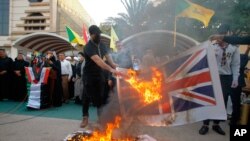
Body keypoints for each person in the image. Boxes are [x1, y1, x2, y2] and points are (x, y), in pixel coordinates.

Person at [199, 25, 240, 135]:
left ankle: (216, 124)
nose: (223, 37)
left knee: (222, 102)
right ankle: (205, 124)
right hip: (213, 76)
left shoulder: (234, 48)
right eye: (221, 34)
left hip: (226, 77)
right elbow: (203, 53)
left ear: (228, 34)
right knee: (209, 101)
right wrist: (210, 39)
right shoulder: (212, 46)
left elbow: (236, 64)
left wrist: (235, 78)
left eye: (225, 34)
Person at [81, 25, 121, 128]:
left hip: (100, 75)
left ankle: (101, 119)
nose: (98, 36)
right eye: (96, 34)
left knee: (101, 96)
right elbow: (98, 61)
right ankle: (85, 117)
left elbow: (108, 57)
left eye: (99, 34)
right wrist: (111, 69)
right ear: (91, 35)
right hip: (89, 75)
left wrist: (114, 65)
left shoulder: (102, 44)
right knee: (86, 96)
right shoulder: (88, 47)